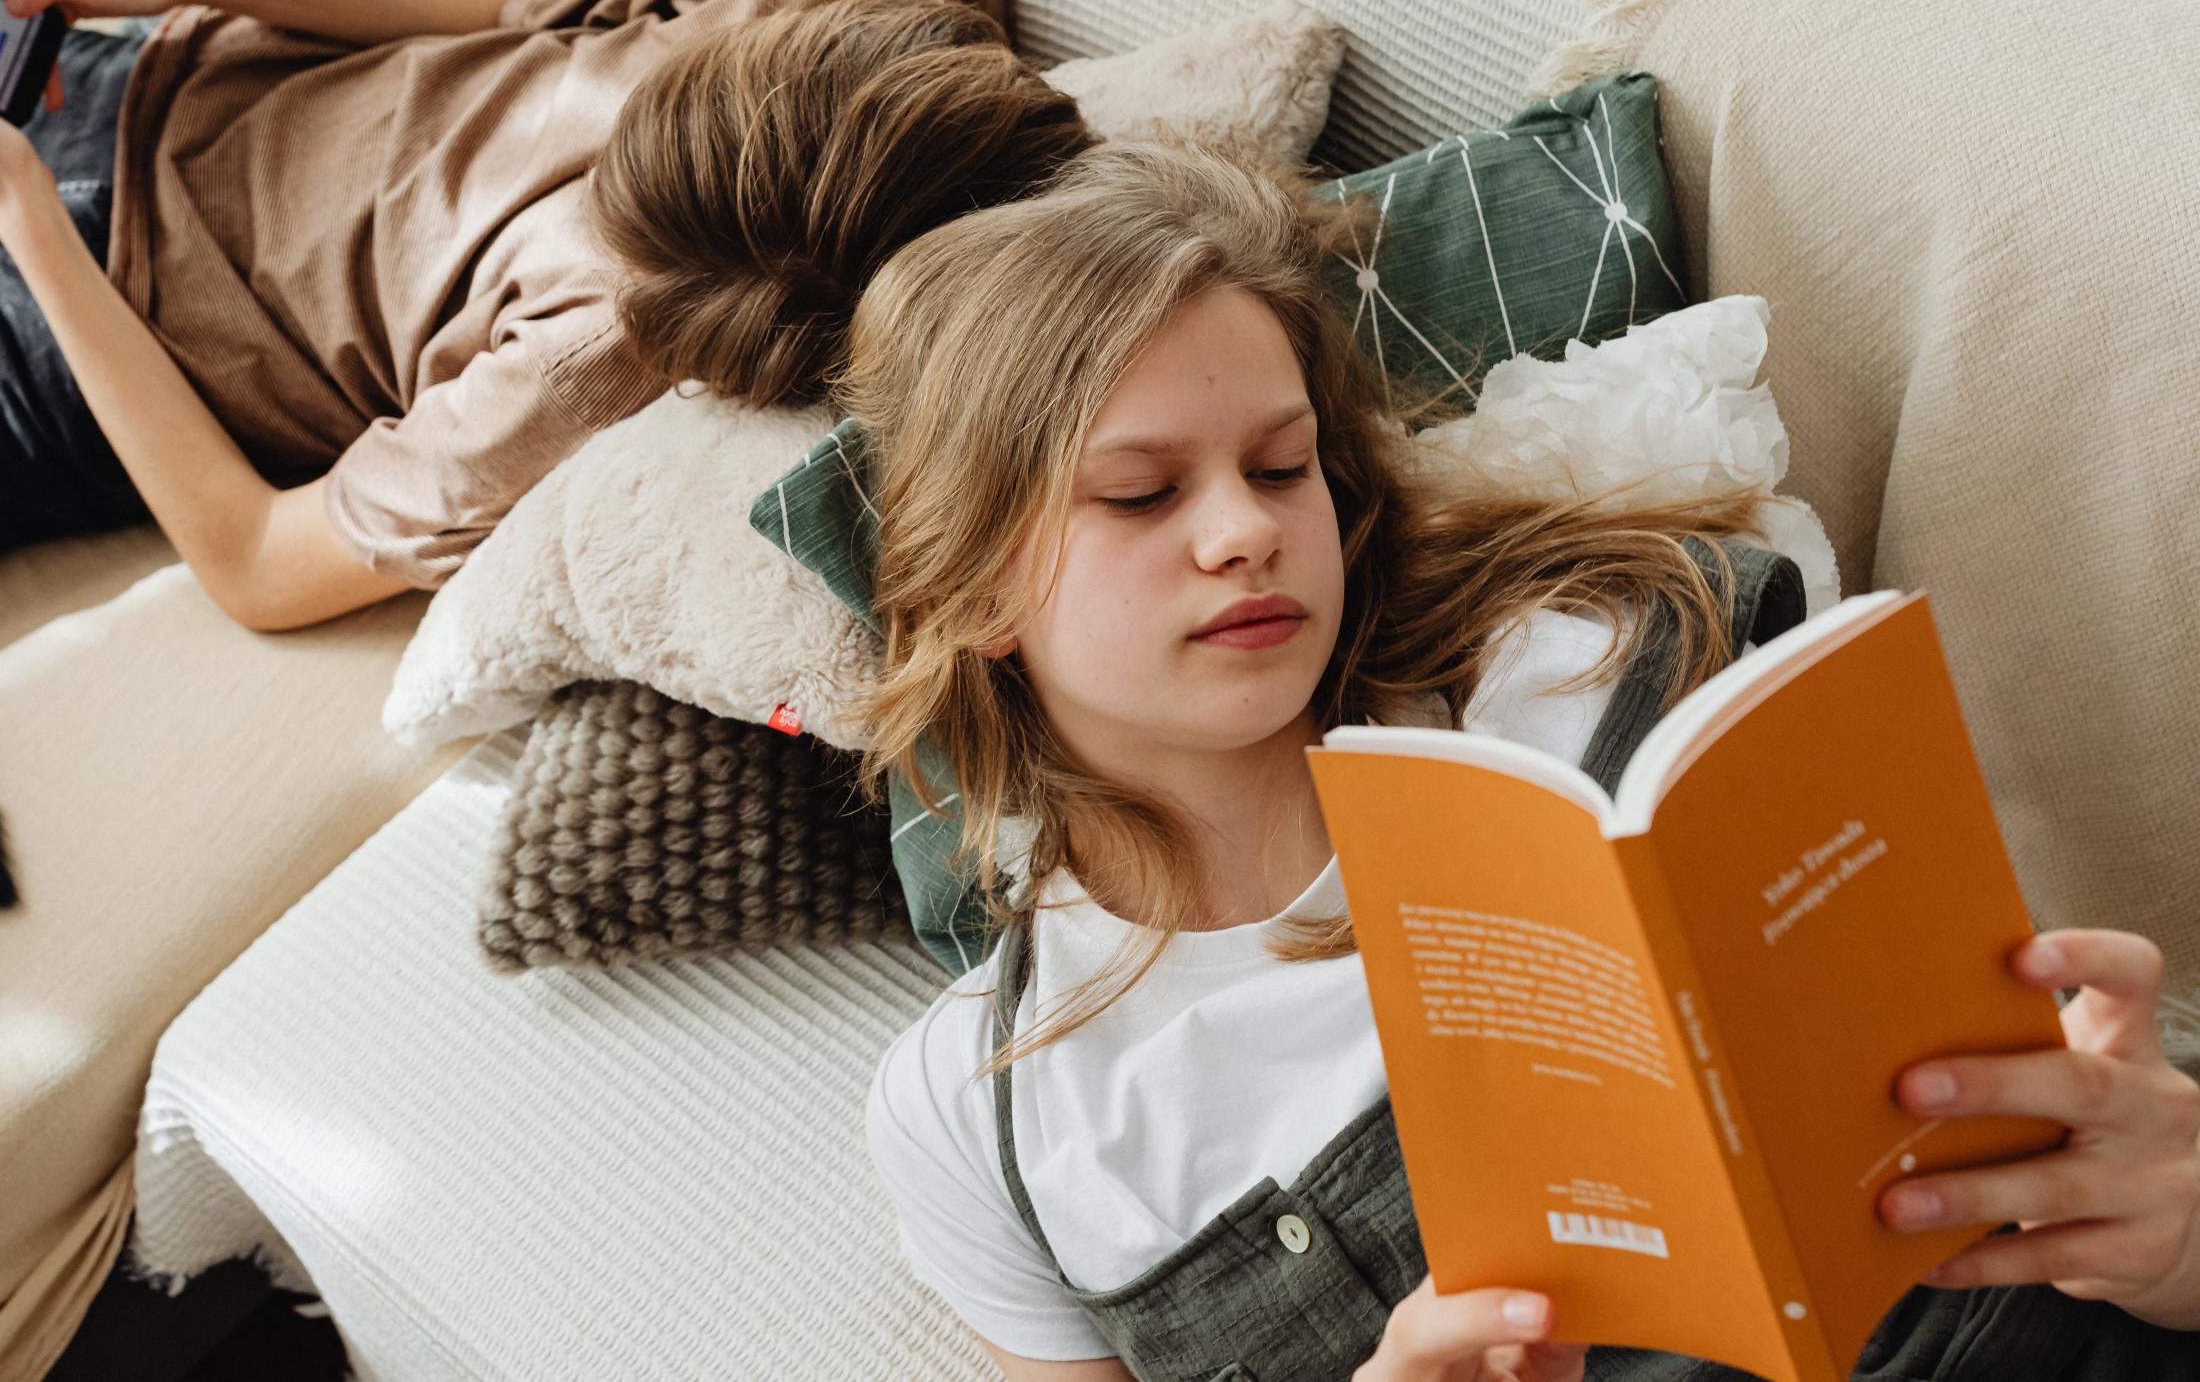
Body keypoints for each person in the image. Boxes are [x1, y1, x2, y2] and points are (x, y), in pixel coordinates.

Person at [835, 139, 2200, 1380]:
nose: (1243, 533)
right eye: (1141, 493)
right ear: (979, 583)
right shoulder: (984, 1110)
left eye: (1282, 466)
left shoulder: (1578, 675)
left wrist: (2177, 1237)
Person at [0, 0, 1085, 647]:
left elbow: (260, 567)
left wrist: (15, 208)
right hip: (134, 84)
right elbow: (520, 13)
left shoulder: (594, 357)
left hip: (64, 348)